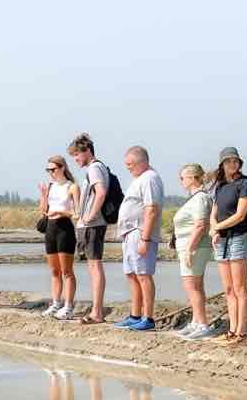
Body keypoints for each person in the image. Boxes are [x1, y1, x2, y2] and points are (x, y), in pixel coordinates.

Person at [114, 146, 165, 332]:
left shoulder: (150, 179)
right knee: (132, 274)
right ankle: (135, 314)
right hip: (130, 232)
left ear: (141, 162)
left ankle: (148, 317)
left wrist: (145, 238)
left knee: (143, 274)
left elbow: (151, 209)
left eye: (130, 164)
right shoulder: (139, 179)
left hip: (140, 231)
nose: (128, 168)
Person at [209, 147, 247, 345]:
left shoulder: (244, 184)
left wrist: (217, 227)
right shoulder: (219, 187)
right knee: (228, 289)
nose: (232, 164)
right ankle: (232, 329)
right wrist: (215, 230)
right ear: (222, 165)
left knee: (239, 287)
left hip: (237, 237)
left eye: (235, 161)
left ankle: (241, 331)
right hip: (222, 240)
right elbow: (214, 212)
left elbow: (240, 214)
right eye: (228, 162)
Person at [68, 132, 110, 325]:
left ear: (86, 151)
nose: (75, 159)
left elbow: (101, 193)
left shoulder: (94, 168)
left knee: (95, 266)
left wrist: (89, 216)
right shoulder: (94, 168)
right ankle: (96, 311)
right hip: (90, 224)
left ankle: (97, 312)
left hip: (94, 224)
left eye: (76, 155)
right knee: (93, 266)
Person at [172, 164, 215, 339]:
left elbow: (201, 224)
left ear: (191, 178)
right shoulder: (195, 198)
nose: (181, 182)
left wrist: (190, 248)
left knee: (192, 285)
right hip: (189, 245)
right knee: (194, 285)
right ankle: (197, 321)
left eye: (182, 178)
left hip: (195, 246)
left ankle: (202, 324)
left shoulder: (200, 198)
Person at [38, 155, 80, 320]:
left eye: (53, 169)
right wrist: (43, 195)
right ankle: (56, 303)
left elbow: (77, 214)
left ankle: (68, 306)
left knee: (67, 271)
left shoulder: (72, 187)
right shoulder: (50, 186)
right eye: (48, 170)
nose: (50, 173)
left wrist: (61, 212)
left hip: (65, 228)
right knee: (54, 271)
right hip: (50, 228)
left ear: (62, 168)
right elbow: (43, 211)